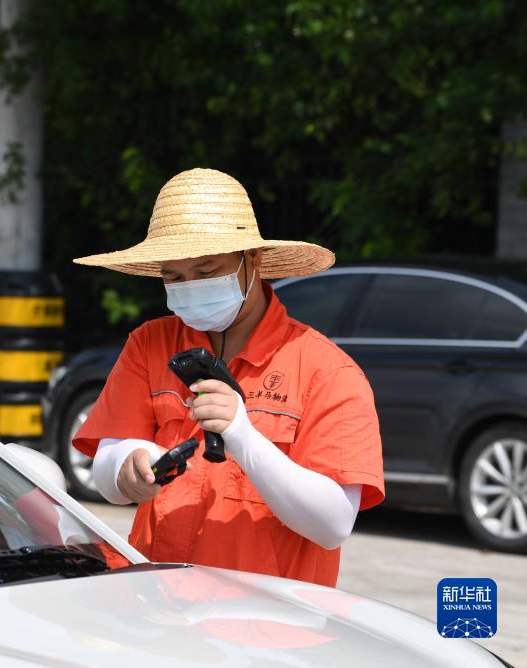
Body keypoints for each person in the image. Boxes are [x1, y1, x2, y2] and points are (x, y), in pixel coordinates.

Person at [71, 168, 384, 588]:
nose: (190, 287)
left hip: (269, 629)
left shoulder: (326, 371)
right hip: (157, 607)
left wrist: (243, 435)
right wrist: (128, 467)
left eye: (205, 271)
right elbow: (107, 466)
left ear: (251, 260)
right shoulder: (150, 343)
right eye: (174, 277)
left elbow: (333, 524)